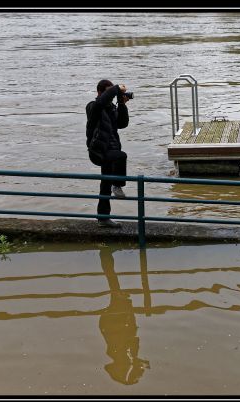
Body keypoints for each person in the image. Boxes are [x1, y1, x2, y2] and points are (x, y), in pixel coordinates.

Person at [99, 246, 150, 385]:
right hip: (115, 321)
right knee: (115, 288)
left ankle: (106, 255)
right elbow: (134, 337)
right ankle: (106, 256)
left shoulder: (121, 353)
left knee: (115, 289)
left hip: (115, 322)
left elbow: (133, 338)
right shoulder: (122, 353)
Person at [86, 79, 130, 228]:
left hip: (111, 150)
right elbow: (100, 103)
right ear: (99, 92)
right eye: (108, 93)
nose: (111, 97)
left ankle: (103, 218)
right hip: (98, 152)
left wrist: (122, 104)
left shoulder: (111, 108)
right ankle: (117, 185)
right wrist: (117, 88)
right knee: (122, 156)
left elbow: (122, 124)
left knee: (105, 184)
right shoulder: (93, 107)